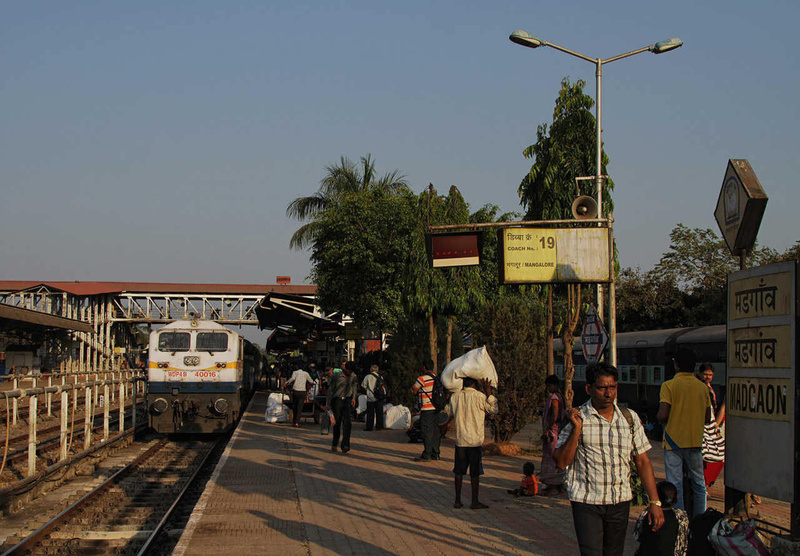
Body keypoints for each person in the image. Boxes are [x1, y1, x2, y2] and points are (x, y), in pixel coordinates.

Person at [554, 363, 664, 556]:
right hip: (586, 502)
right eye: (602, 388)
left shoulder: (629, 418)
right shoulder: (577, 418)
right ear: (589, 389)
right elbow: (562, 462)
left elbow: (642, 461)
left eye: (612, 387)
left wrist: (655, 502)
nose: (608, 393)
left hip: (619, 501)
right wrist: (577, 430)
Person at [657, 349, 711, 517]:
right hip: (695, 442)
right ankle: (700, 518)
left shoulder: (669, 385)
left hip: (673, 442)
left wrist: (659, 418)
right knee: (699, 484)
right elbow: (707, 418)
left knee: (675, 483)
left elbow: (662, 415)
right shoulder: (702, 388)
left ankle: (680, 518)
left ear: (676, 365)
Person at [445, 376, 498, 509]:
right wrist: (489, 393)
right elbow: (494, 410)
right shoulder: (480, 397)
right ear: (474, 384)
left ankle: (457, 500)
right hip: (475, 442)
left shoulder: (455, 397)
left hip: (461, 441)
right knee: (475, 473)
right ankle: (474, 501)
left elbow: (448, 412)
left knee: (459, 472)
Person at [634, 481, 689, 556]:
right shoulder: (681, 516)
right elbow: (683, 540)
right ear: (677, 498)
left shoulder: (646, 513)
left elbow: (637, 535)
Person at [695, 362, 725, 487]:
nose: (708, 377)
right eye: (706, 374)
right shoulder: (700, 387)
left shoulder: (710, 388)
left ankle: (705, 482)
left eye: (710, 375)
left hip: (710, 424)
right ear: (700, 373)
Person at [410, 359, 441, 462]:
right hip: (436, 408)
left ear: (424, 367)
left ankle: (427, 454)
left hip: (426, 408)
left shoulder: (421, 379)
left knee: (426, 431)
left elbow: (414, 390)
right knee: (435, 431)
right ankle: (436, 453)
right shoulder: (437, 378)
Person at [540, 374, 566, 495]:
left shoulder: (555, 398)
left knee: (551, 459)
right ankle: (558, 485)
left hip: (553, 433)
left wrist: (548, 427)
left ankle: (552, 486)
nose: (548, 388)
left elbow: (555, 413)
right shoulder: (561, 397)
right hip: (558, 432)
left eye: (549, 386)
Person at [327, 361, 359, 453]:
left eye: (351, 371)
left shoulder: (353, 376)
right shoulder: (337, 376)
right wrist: (328, 403)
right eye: (349, 370)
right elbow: (331, 389)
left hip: (347, 400)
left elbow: (354, 386)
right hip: (337, 400)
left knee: (347, 422)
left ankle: (345, 444)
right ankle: (335, 443)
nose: (350, 372)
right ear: (345, 369)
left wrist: (354, 397)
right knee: (337, 422)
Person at [361, 364, 385, 431]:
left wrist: (369, 391)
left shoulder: (367, 377)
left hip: (370, 397)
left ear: (370, 370)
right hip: (379, 397)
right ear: (377, 370)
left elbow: (364, 386)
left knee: (370, 413)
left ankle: (369, 427)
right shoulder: (380, 377)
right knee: (379, 412)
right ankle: (379, 426)